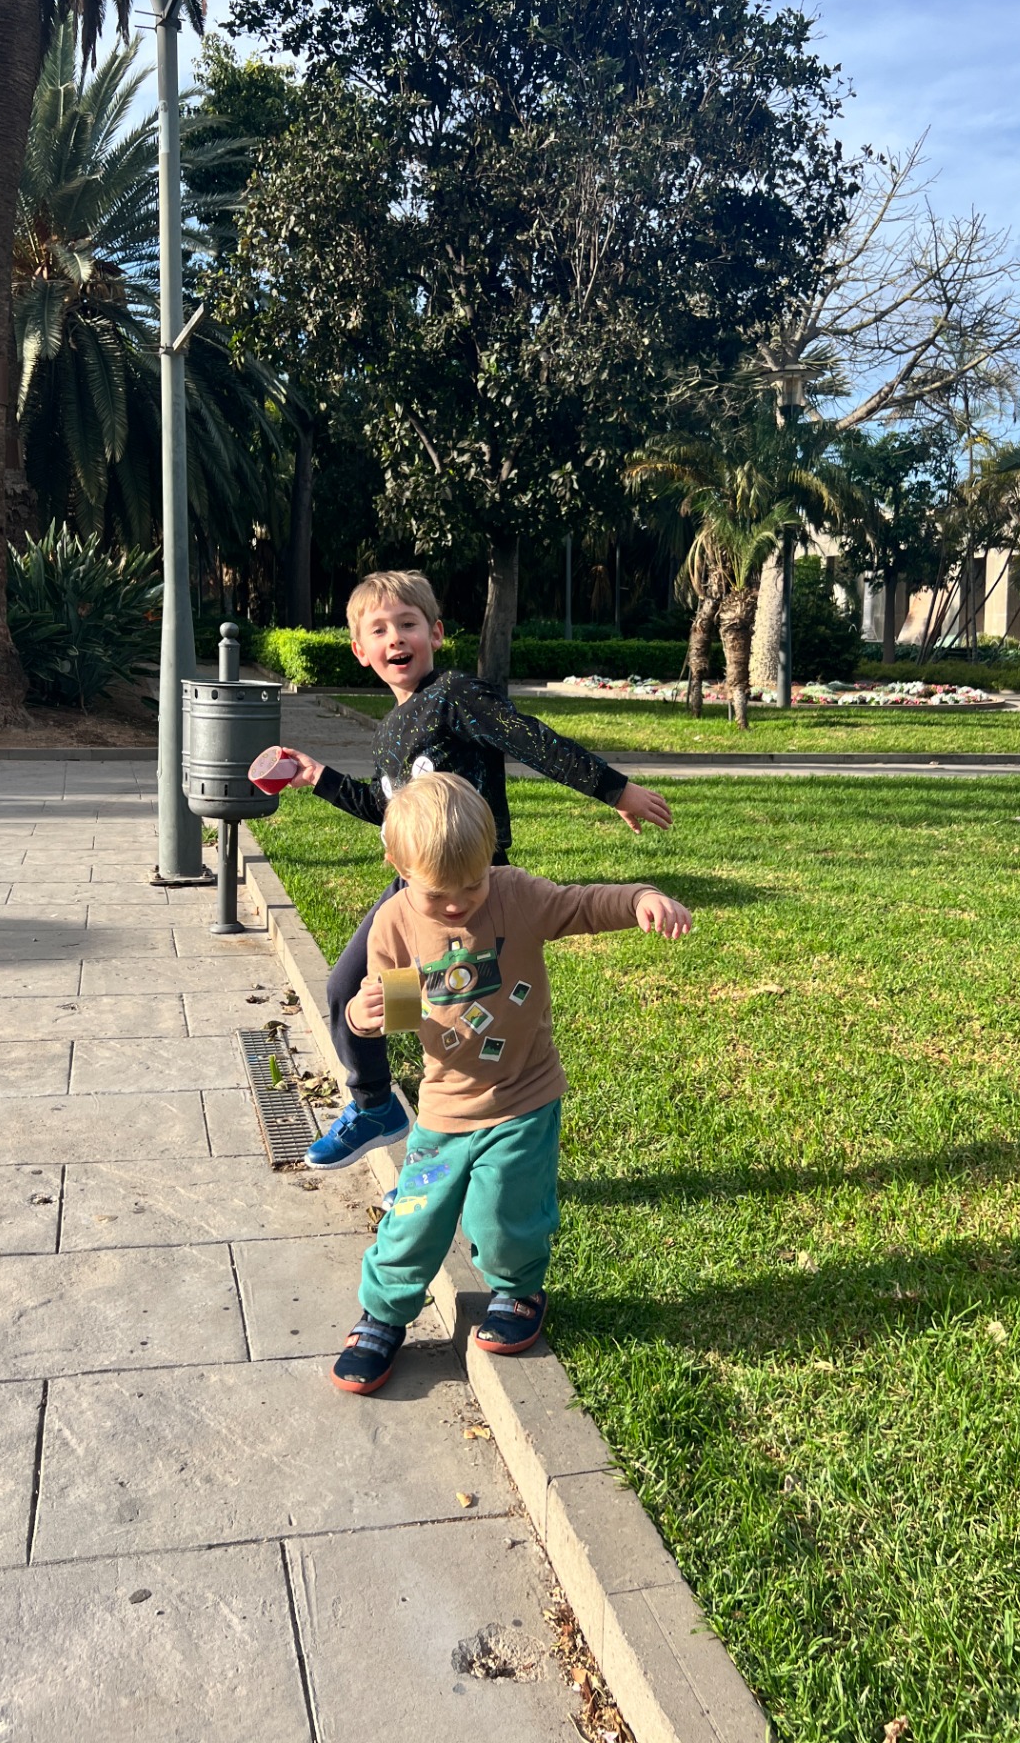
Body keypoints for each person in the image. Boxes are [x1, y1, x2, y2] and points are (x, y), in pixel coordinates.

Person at [250, 570, 673, 1171]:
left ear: (436, 633)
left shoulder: (455, 696)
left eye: (408, 624)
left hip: (479, 889)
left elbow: (531, 740)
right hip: (416, 891)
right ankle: (378, 1107)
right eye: (380, 630)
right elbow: (387, 808)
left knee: (464, 1018)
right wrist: (317, 776)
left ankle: (471, 1137)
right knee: (360, 993)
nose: (396, 638)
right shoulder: (391, 730)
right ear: (360, 651)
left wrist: (615, 789)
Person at [329, 771, 692, 1393]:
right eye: (438, 893)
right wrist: (366, 1016)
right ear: (398, 867)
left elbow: (581, 904)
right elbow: (399, 1010)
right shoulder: (394, 924)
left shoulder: (516, 895)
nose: (457, 905)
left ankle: (518, 1290)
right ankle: (383, 1315)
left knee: (503, 1215)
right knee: (413, 1219)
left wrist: (639, 899)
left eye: (473, 885)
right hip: (444, 1106)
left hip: (524, 1095)